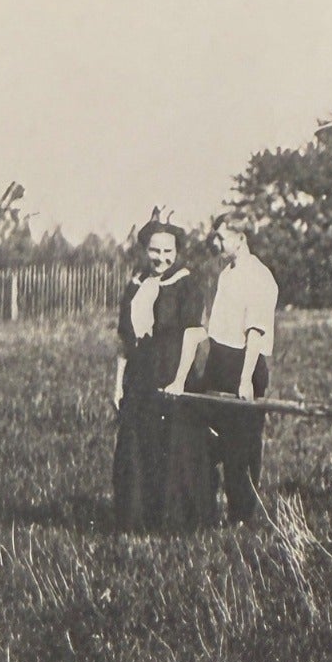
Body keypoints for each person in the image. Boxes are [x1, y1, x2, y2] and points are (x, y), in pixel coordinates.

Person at [111, 219, 209, 531]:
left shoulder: (186, 283)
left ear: (177, 251)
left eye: (168, 251)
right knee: (139, 445)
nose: (161, 257)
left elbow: (193, 334)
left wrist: (180, 379)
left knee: (175, 446)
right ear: (145, 250)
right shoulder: (135, 284)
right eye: (155, 250)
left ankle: (176, 522)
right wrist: (117, 385)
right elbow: (125, 341)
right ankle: (138, 520)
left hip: (172, 370)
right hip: (139, 375)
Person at [190, 219, 279, 525]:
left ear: (241, 238)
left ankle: (241, 517)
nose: (217, 244)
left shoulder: (259, 277)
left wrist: (244, 379)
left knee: (241, 445)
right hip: (219, 360)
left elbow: (255, 331)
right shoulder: (226, 274)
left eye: (222, 238)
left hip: (245, 363)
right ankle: (206, 509)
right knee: (208, 438)